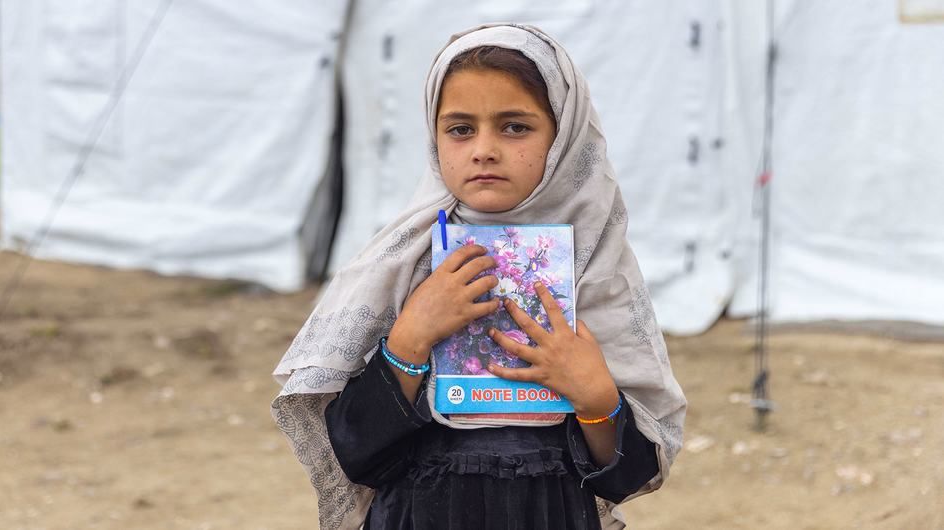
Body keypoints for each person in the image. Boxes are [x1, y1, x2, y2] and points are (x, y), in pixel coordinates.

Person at [272, 23, 686, 530]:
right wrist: (410, 338)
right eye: (461, 129)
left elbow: (627, 477)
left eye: (515, 126)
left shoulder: (597, 267)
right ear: (434, 137)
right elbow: (356, 452)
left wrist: (597, 397)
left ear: (564, 137)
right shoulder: (400, 265)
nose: (484, 149)